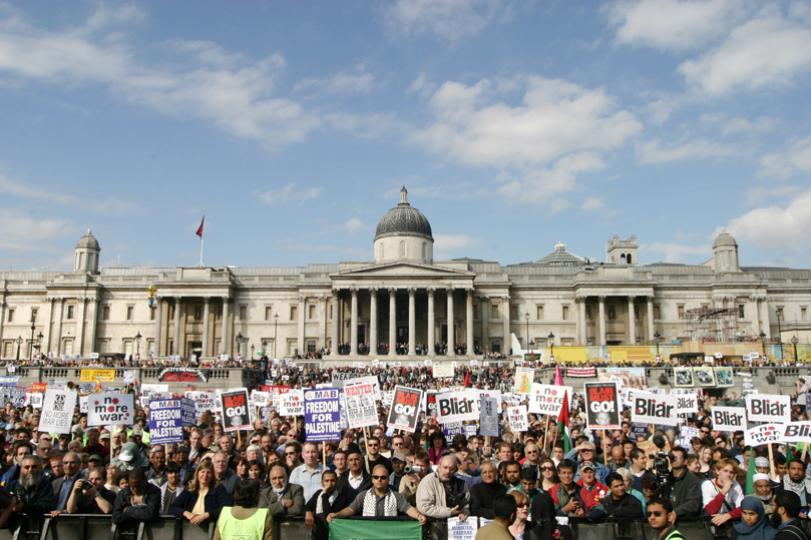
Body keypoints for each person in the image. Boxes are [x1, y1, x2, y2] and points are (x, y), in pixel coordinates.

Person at [326, 464, 426, 524]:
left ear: (388, 480)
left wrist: (418, 516)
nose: (379, 480)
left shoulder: (396, 496)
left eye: (383, 477)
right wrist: (336, 515)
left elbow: (408, 508)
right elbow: (350, 509)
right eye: (376, 477)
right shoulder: (363, 495)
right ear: (372, 479)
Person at [416, 454, 469, 540]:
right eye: (445, 467)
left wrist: (465, 512)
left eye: (451, 469)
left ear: (456, 469)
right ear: (439, 467)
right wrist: (449, 512)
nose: (448, 471)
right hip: (433, 528)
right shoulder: (428, 481)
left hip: (456, 529)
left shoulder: (461, 483)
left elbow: (467, 504)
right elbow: (424, 507)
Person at [170, 460, 231, 526]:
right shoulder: (190, 489)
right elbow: (173, 507)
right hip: (188, 529)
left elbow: (226, 508)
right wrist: (186, 513)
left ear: (212, 475)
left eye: (208, 473)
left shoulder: (218, 489)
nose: (205, 475)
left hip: (210, 529)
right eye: (203, 472)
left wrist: (206, 515)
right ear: (197, 473)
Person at [6, 455, 55, 530]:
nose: (30, 470)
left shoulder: (46, 484)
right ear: (21, 469)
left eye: (34, 467)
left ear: (40, 468)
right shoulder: (13, 485)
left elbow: (47, 505)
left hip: (40, 528)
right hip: (15, 529)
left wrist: (24, 507)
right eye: (26, 467)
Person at [305, 470, 352, 540]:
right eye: (326, 481)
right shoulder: (318, 494)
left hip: (333, 534)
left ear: (337, 482)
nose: (329, 483)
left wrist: (324, 496)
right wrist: (308, 513)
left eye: (332, 480)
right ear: (322, 483)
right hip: (318, 533)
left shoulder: (341, 497)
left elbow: (327, 513)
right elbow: (307, 506)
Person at [702, 457, 744, 526]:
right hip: (711, 522)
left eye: (731, 472)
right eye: (725, 471)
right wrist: (724, 491)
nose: (728, 475)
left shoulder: (735, 485)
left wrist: (727, 515)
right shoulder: (707, 484)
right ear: (717, 471)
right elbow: (710, 511)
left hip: (728, 520)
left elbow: (743, 507)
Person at [668, 446, 703, 519]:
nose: (674, 459)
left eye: (677, 457)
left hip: (685, 523)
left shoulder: (692, 479)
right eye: (672, 457)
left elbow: (694, 504)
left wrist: (675, 512)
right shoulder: (666, 478)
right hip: (665, 521)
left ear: (685, 461)